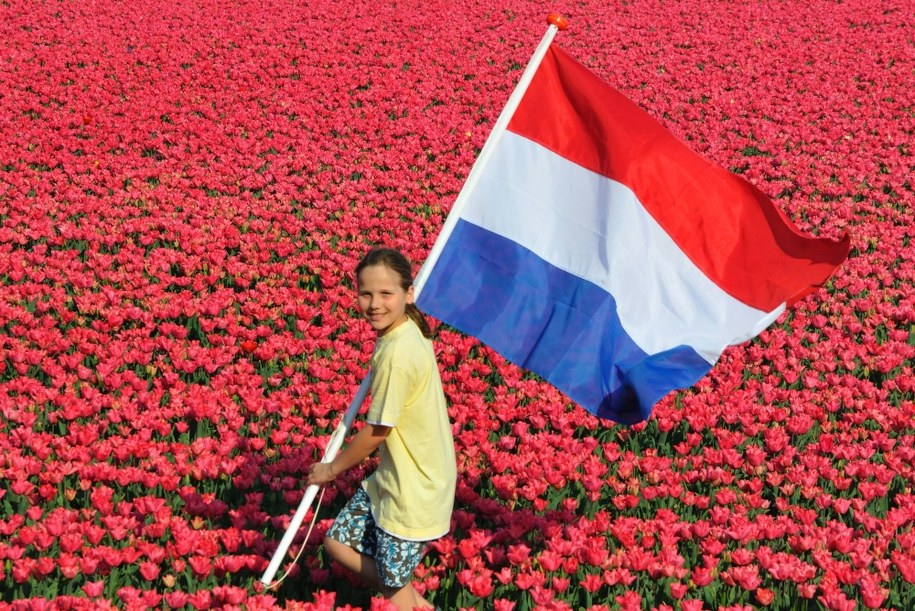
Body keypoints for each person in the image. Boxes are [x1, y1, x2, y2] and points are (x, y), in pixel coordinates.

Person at [305, 247, 456, 610]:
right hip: (395, 478)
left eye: (386, 294)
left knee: (392, 586)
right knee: (337, 542)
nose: (375, 303)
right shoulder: (403, 332)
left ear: (409, 293)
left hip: (414, 488)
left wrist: (331, 469)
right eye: (366, 293)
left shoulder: (398, 353)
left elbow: (377, 431)